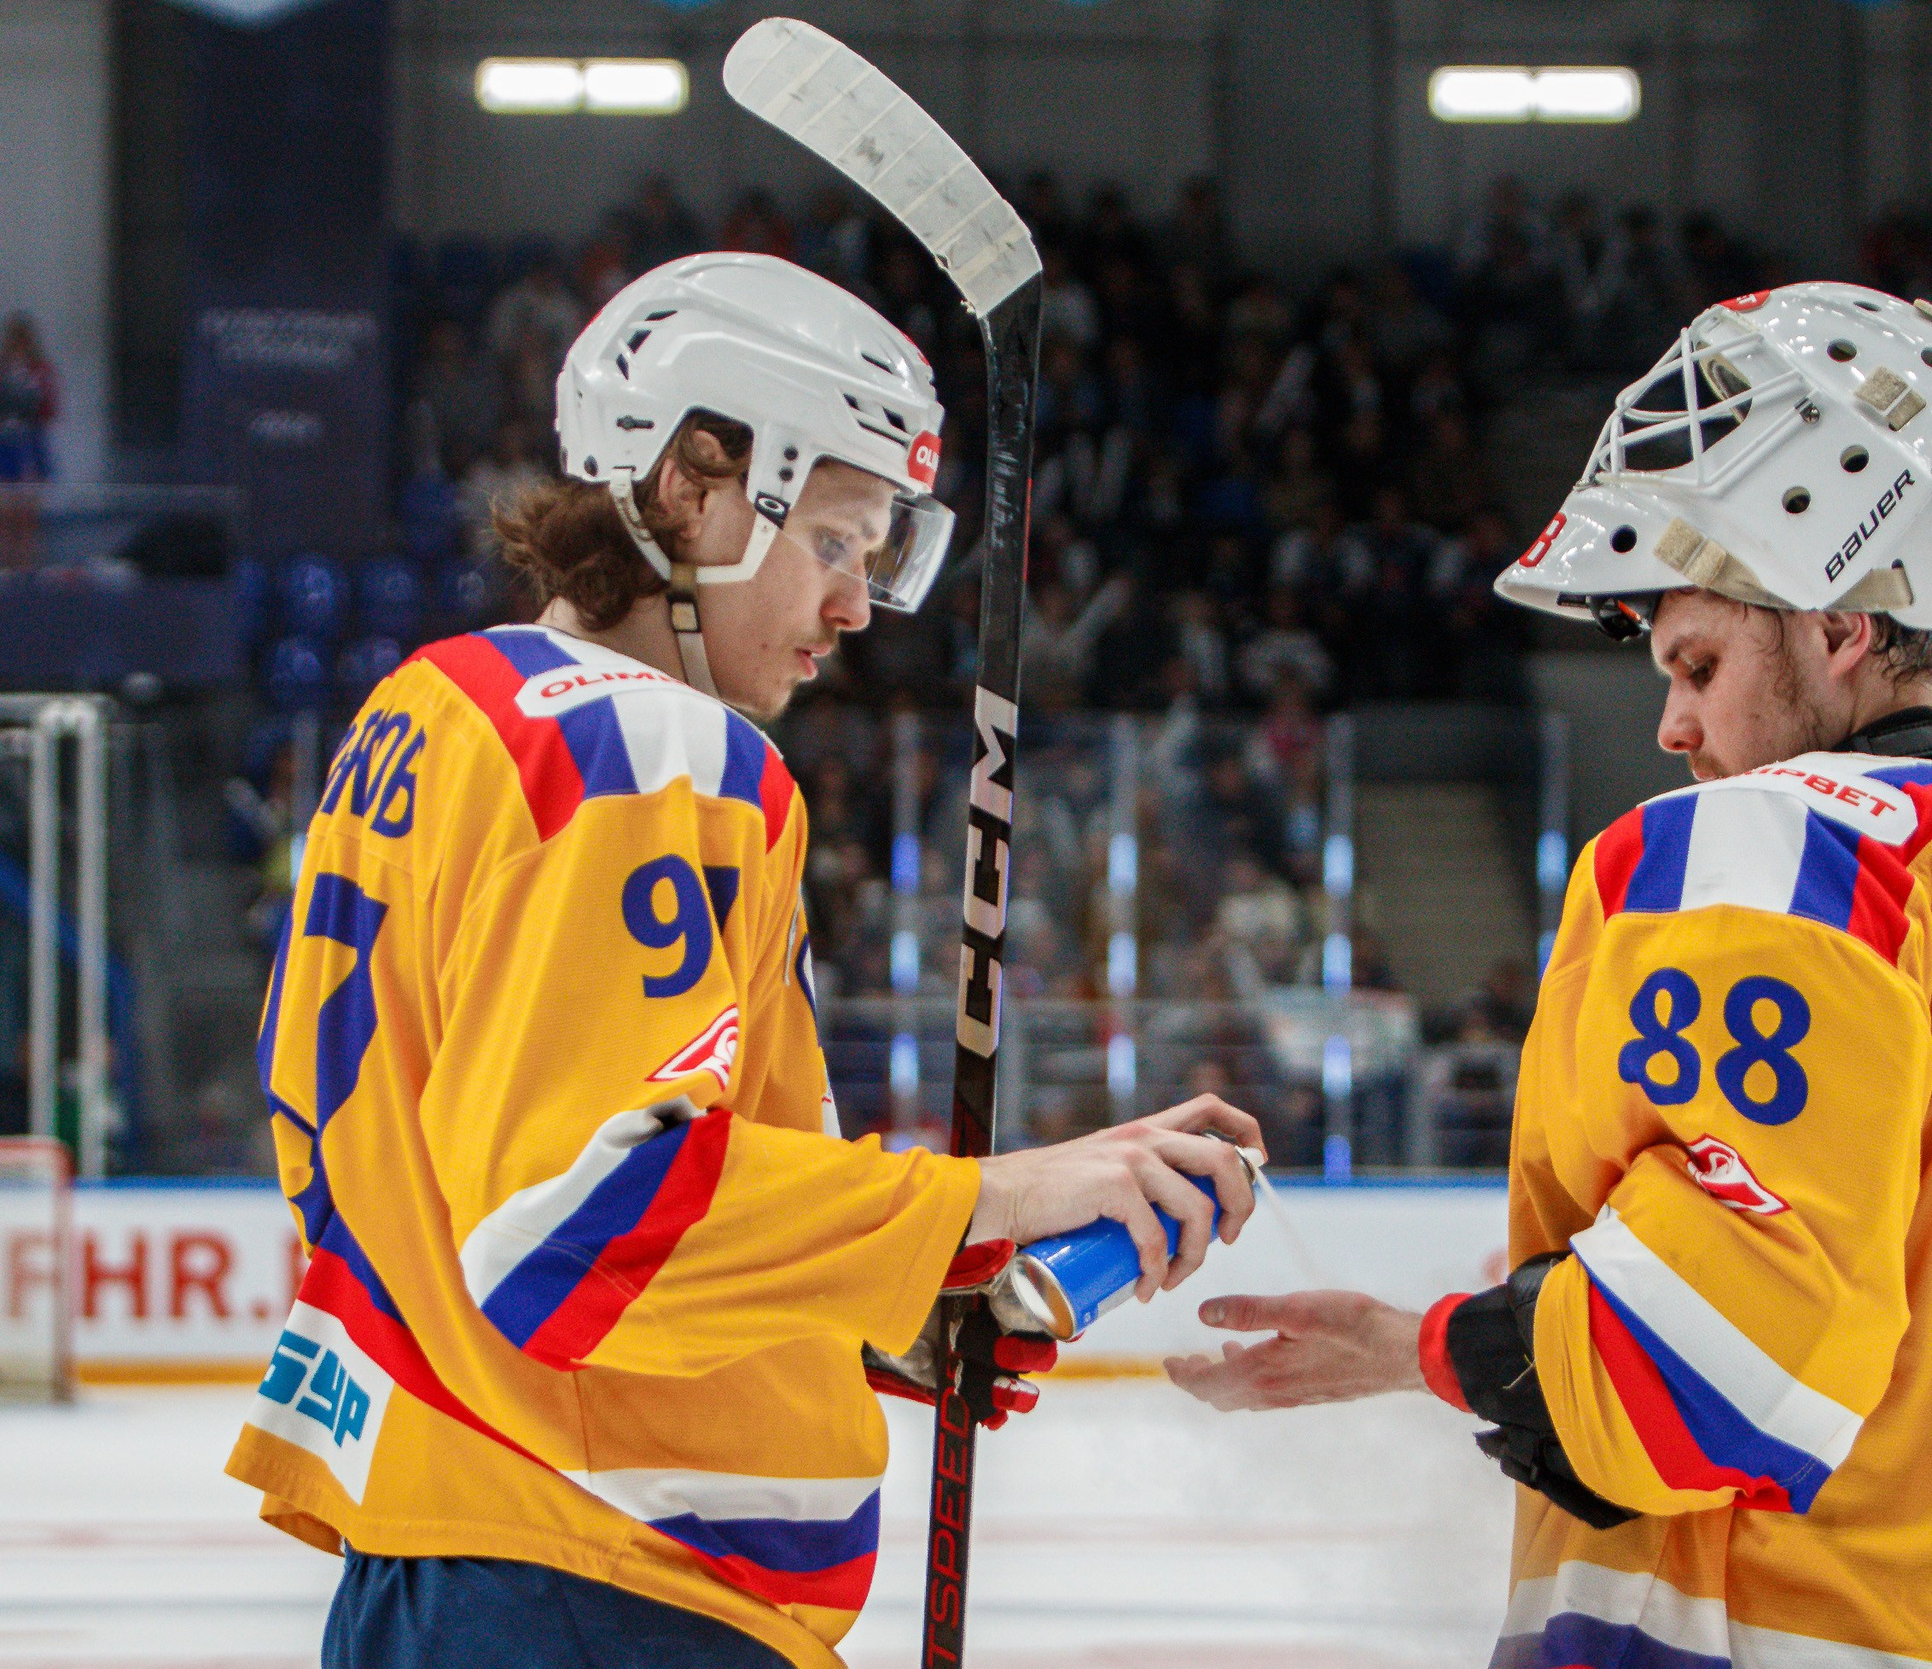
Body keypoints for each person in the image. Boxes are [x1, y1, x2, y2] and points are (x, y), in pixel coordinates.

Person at [1170, 284, 1932, 1669]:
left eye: (1698, 660)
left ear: (1838, 627)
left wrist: (1435, 1347)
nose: (1675, 723)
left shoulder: (1769, 854)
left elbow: (1704, 1374)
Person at [228, 252, 1262, 1669]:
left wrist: (866, 1304)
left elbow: (484, 1190)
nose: (857, 607)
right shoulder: (654, 750)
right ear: (695, 482)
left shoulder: (438, 708)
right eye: (838, 540)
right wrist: (1005, 1190)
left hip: (454, 1546)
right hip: (601, 1584)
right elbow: (575, 1224)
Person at [0, 313, 59, 569]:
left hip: (29, 445)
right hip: (4, 445)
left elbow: (49, 409)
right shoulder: (2, 368)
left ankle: (26, 570)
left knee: (27, 518)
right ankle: (6, 569)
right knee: (5, 516)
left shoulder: (41, 370)